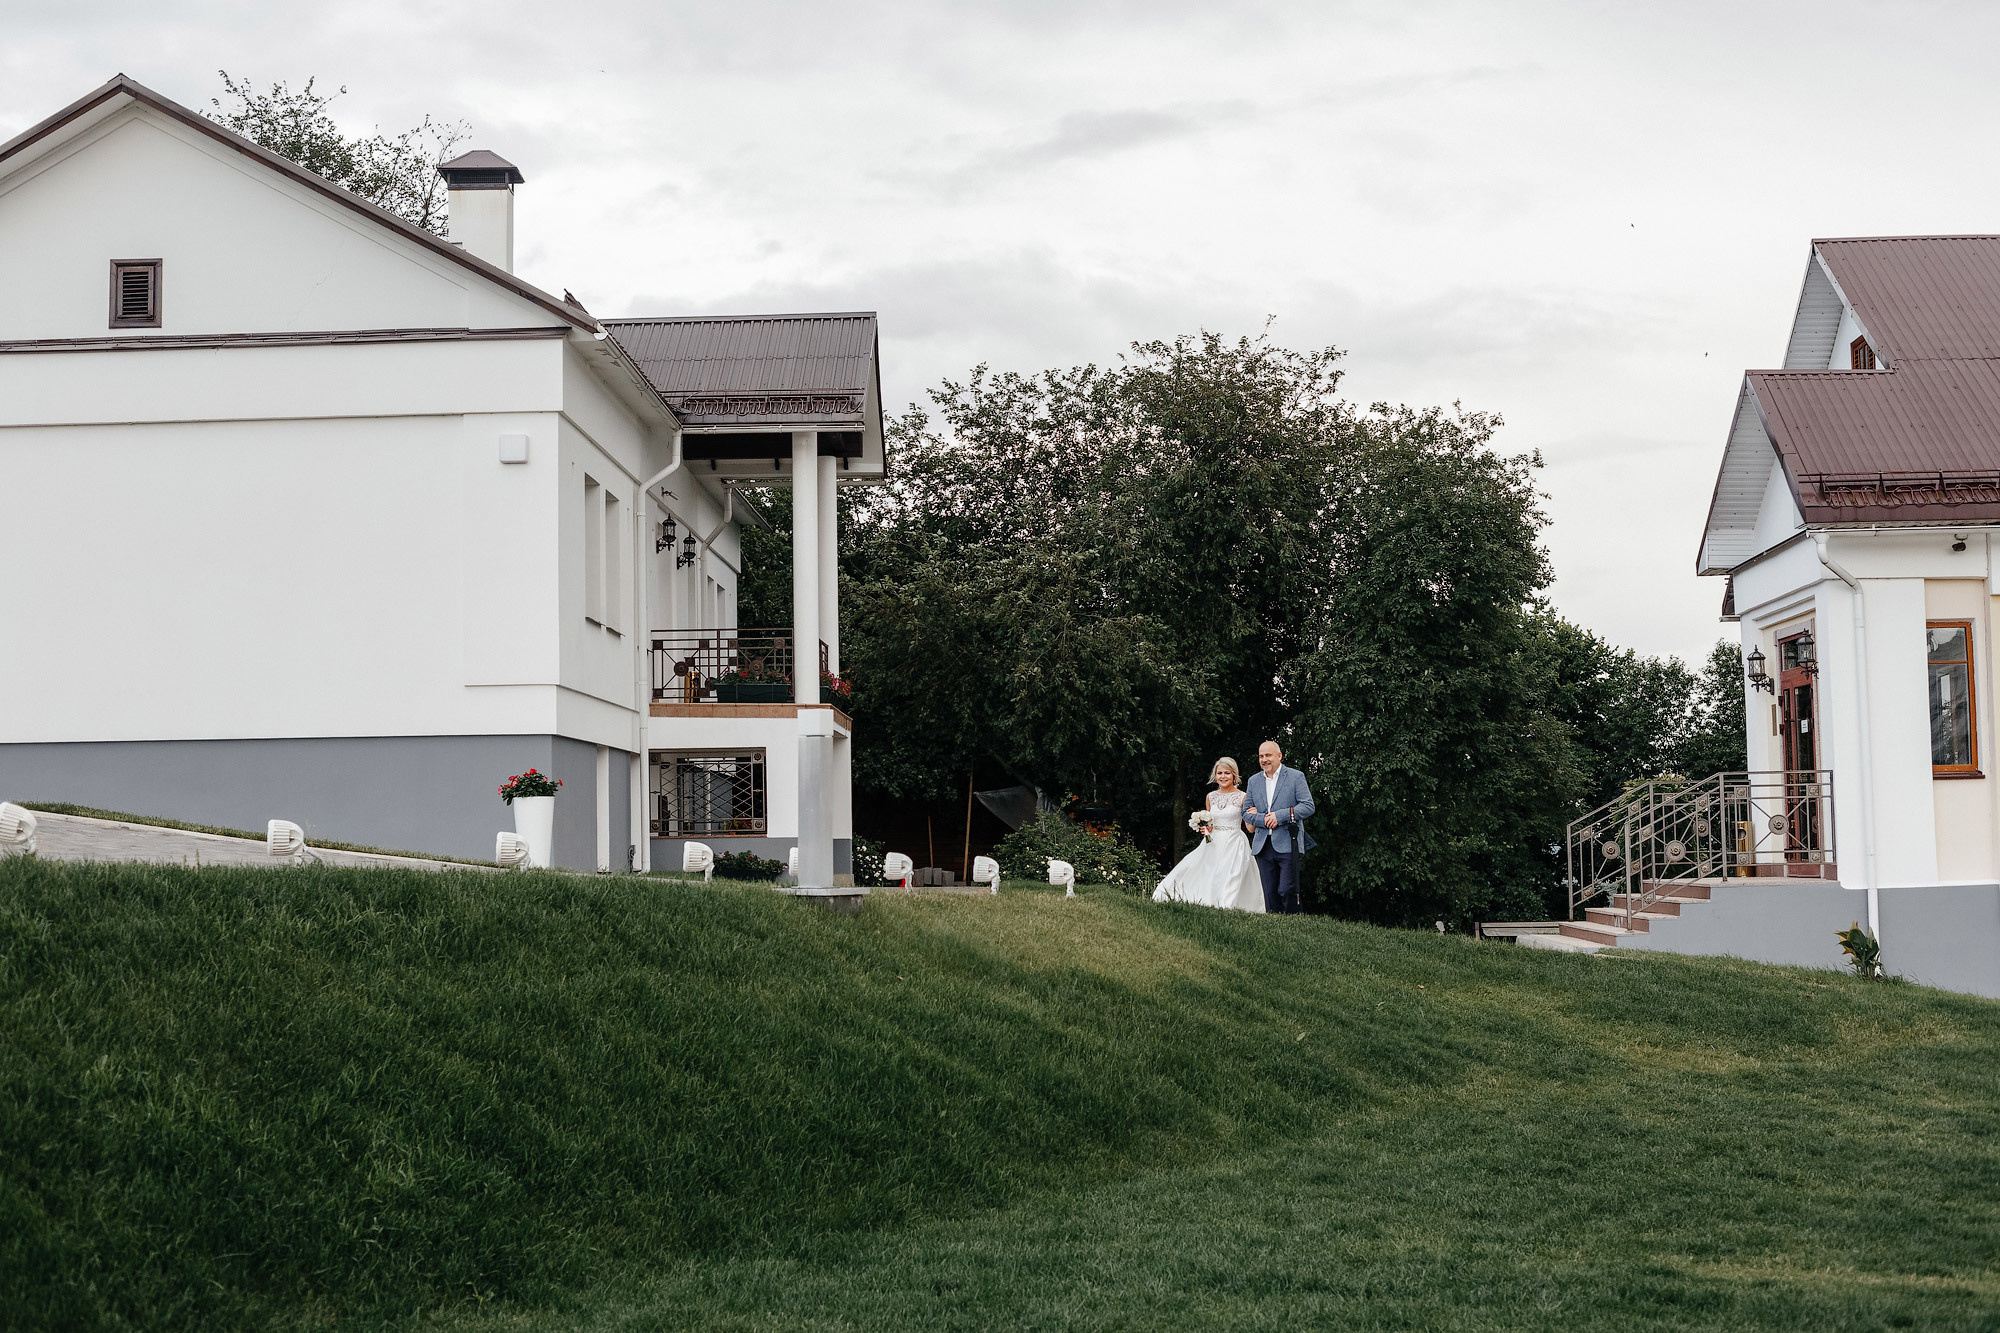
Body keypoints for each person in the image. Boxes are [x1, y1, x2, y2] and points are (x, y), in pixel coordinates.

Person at [1151, 757, 1266, 912]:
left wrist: (1255, 814)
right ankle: (1205, 903)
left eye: (1227, 773)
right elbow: (1210, 824)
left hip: (1234, 842)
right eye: (1219, 773)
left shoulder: (1243, 797)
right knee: (1206, 872)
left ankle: (1227, 907)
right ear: (1215, 775)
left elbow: (1250, 829)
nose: (1223, 776)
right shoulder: (1210, 796)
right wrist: (1204, 827)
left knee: (1230, 876)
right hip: (1213, 842)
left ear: (1234, 775)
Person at [1241, 740, 1315, 914]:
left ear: (1279, 756)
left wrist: (1280, 816)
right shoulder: (1253, 781)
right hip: (1262, 845)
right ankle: (1274, 927)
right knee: (1270, 892)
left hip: (1288, 841)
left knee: (1287, 889)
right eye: (1261, 756)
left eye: (1268, 755)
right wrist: (1263, 819)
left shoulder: (1295, 776)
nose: (1264, 759)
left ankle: (1294, 922)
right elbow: (1246, 812)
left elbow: (1308, 806)